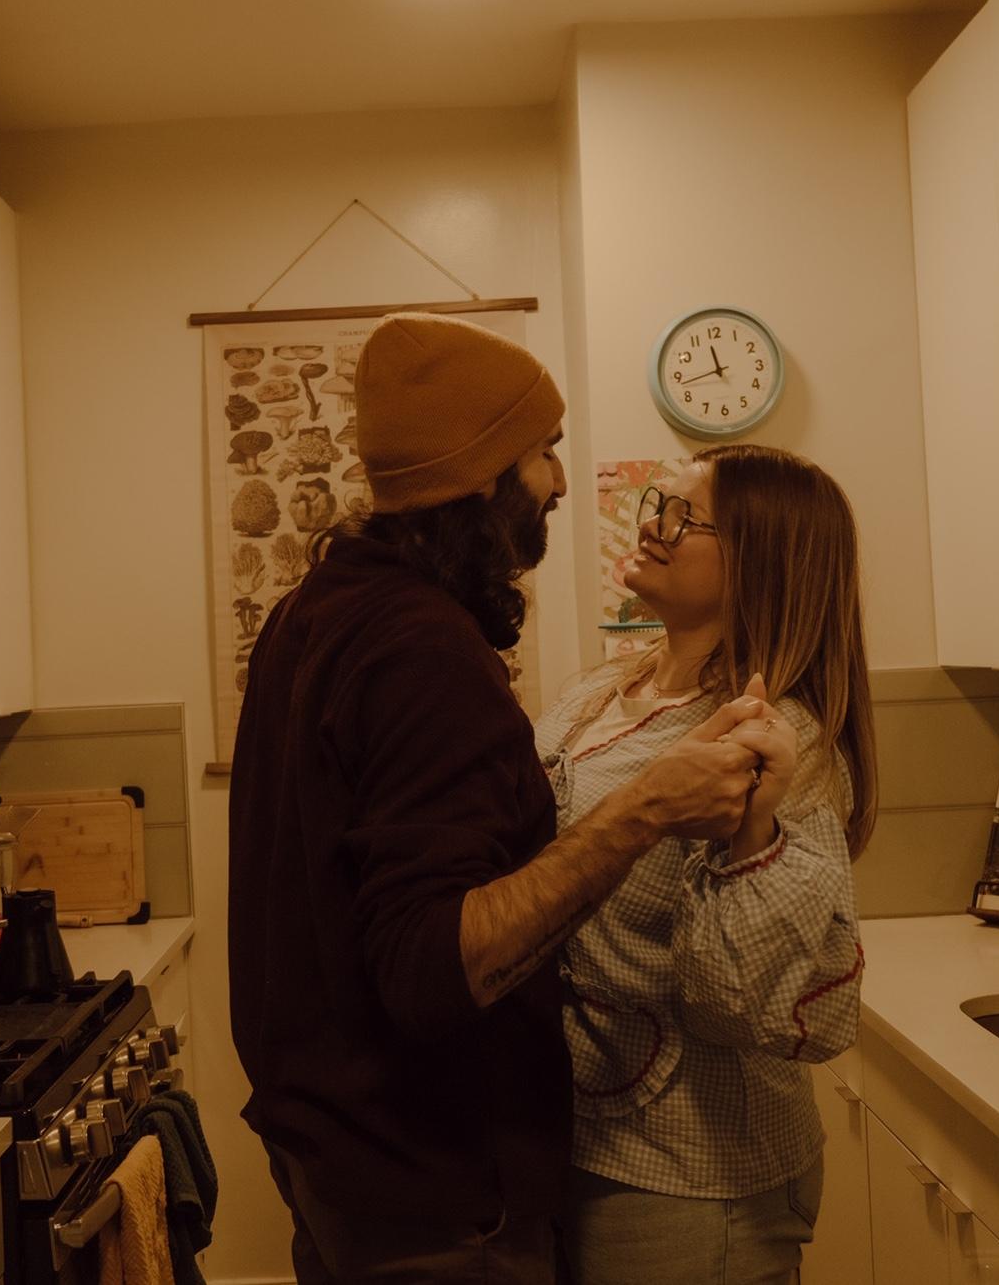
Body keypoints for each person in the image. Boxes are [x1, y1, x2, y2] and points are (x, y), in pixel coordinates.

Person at [228, 313, 782, 1285]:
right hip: (436, 1203)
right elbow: (434, 968)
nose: (560, 482)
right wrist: (646, 808)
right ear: (482, 473)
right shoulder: (422, 649)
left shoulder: (310, 612)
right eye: (544, 451)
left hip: (335, 1168)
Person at [532, 444, 877, 1285]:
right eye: (660, 503)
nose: (654, 525)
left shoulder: (774, 741)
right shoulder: (600, 692)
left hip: (691, 1173)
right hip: (581, 1133)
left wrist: (754, 836)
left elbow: (744, 1001)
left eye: (687, 517)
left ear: (761, 559)